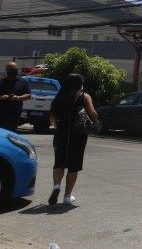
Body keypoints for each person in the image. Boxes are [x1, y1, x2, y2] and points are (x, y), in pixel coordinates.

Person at [48, 73, 99, 205]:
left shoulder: (60, 96)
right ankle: (67, 196)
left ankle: (56, 186)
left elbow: (52, 118)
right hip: (78, 135)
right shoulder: (84, 96)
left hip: (61, 134)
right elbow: (92, 113)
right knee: (73, 166)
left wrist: (59, 128)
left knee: (59, 162)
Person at [0, 62, 31, 132]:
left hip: (15, 115)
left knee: (12, 134)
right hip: (1, 114)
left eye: (15, 70)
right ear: (6, 70)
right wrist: (2, 97)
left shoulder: (23, 82)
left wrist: (18, 98)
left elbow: (28, 95)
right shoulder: (1, 81)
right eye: (11, 70)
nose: (14, 72)